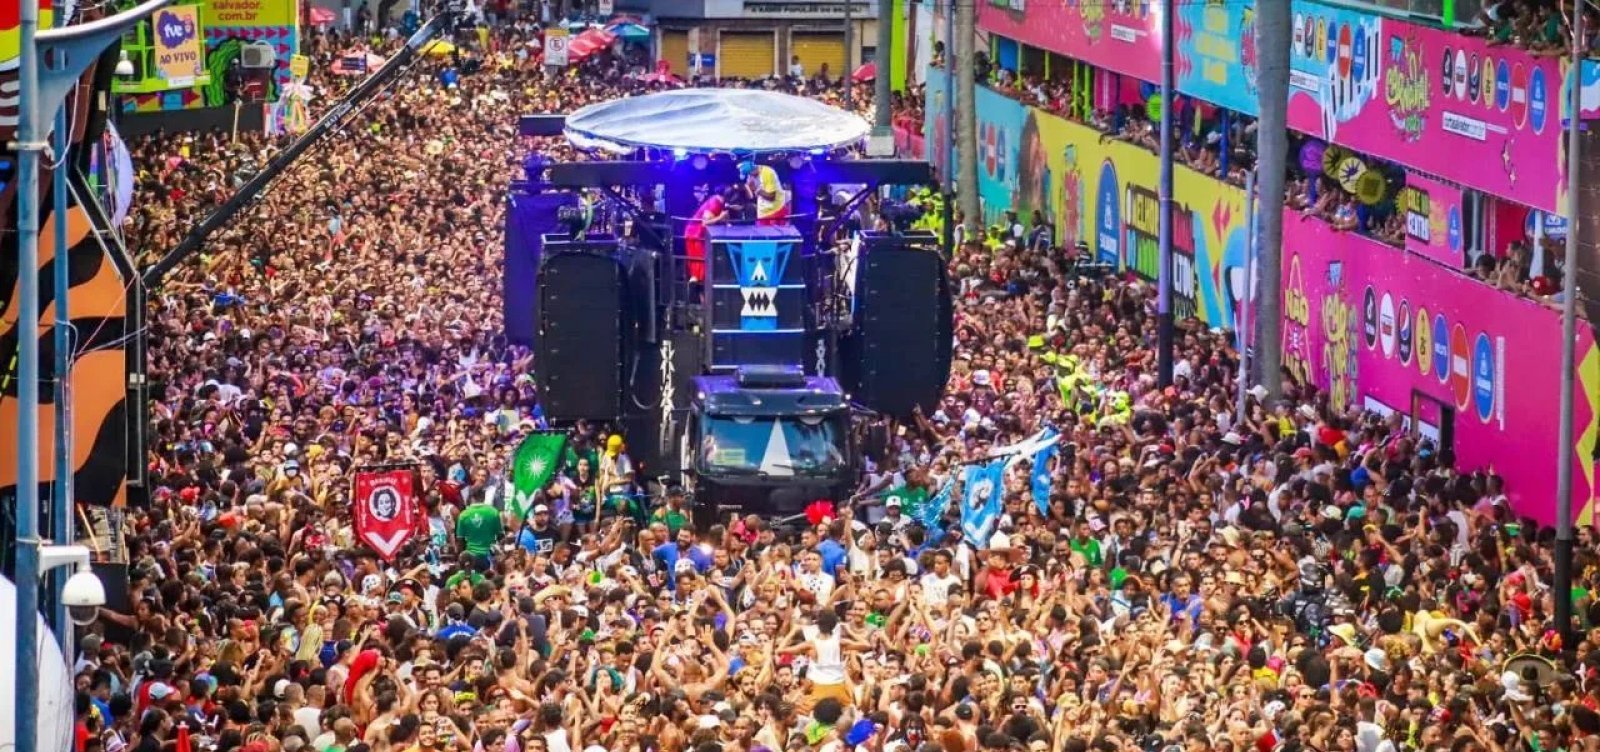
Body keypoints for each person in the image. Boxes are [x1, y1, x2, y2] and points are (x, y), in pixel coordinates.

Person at [682, 183, 729, 282]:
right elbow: (705, 222)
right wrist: (720, 218)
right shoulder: (715, 203)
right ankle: (696, 286)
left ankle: (699, 287)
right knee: (700, 263)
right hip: (695, 233)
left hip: (698, 233)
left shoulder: (719, 203)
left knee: (702, 263)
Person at [739, 159, 789, 225]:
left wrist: (755, 189)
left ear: (752, 170)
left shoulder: (768, 173)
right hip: (763, 211)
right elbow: (752, 196)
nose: (749, 177)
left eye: (749, 174)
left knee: (772, 231)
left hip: (775, 210)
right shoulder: (752, 176)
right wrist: (750, 188)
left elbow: (771, 197)